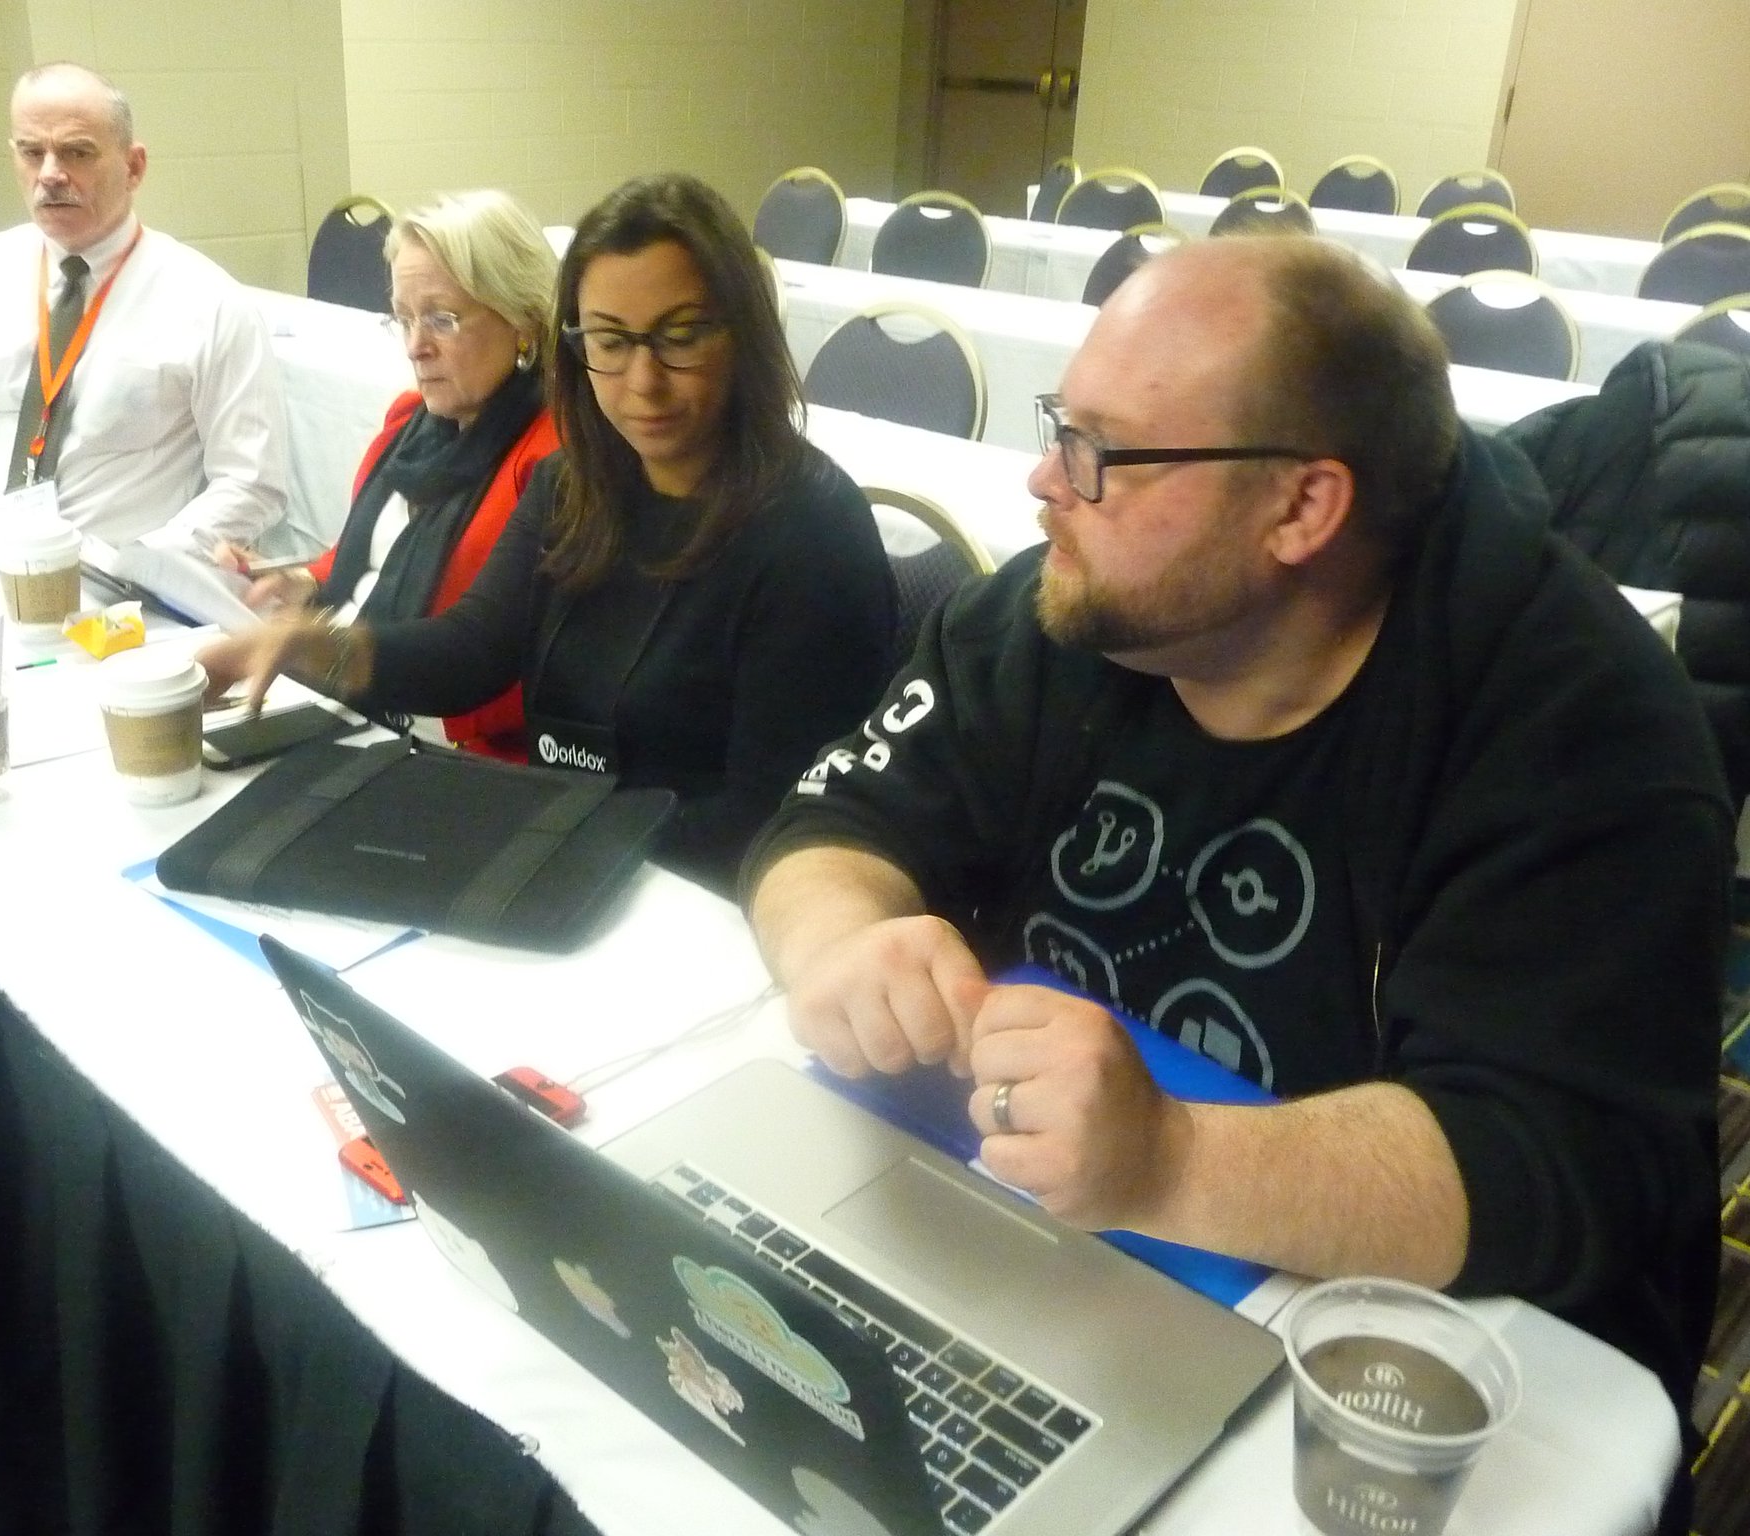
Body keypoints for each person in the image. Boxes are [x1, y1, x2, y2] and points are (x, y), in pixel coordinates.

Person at [742, 236, 1731, 1526]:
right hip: (1047, 1258)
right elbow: (829, 823)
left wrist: (1166, 1155)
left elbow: (1536, 1165)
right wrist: (837, 939)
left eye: (1101, 451)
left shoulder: (1581, 735)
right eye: (1058, 427)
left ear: (1300, 509)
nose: (1045, 481)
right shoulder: (1065, 612)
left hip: (1383, 1395)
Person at [200, 172, 895, 894]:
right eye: (610, 342)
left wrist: (546, 837)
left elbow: (764, 818)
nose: (643, 380)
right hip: (573, 848)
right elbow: (474, 649)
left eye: (679, 336)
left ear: (743, 334)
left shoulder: (812, 536)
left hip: (695, 893)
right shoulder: (574, 482)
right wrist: (314, 645)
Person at [217, 191, 558, 761]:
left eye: (442, 319)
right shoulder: (411, 422)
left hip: (461, 746)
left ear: (522, 319)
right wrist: (302, 580)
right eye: (402, 319)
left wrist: (322, 648)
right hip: (352, 708)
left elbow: (491, 652)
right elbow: (378, 549)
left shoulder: (550, 457)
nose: (416, 346)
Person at [0, 61, 287, 552]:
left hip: (127, 592)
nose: (51, 175)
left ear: (135, 167)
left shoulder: (211, 304)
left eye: (77, 153)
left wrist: (140, 565)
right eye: (31, 152)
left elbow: (252, 483)